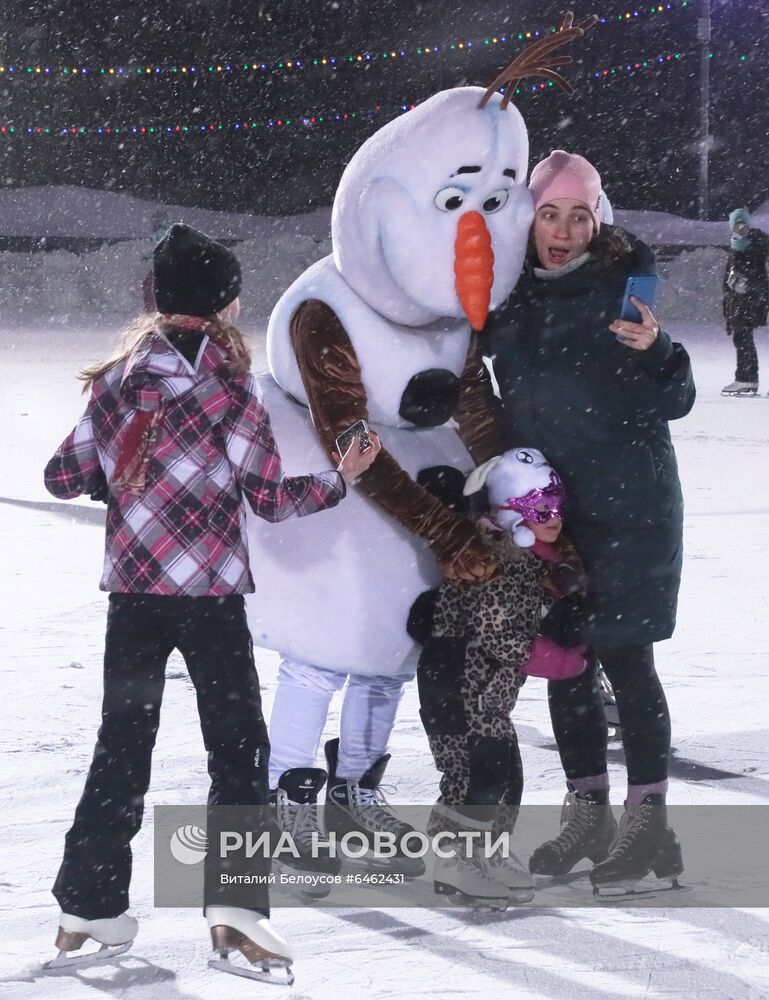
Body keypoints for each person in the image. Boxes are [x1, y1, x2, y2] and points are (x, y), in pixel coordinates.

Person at [43, 223, 379, 977]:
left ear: (154, 300)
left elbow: (62, 478)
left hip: (134, 595)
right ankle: (235, 915)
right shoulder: (231, 391)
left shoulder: (114, 384)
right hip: (210, 598)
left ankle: (88, 907)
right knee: (237, 752)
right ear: (227, 305)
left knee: (121, 747)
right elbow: (267, 497)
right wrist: (342, 476)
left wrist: (123, 478)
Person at [483, 151, 696, 893]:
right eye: (549, 214)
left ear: (596, 220)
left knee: (628, 665)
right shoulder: (509, 303)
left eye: (579, 215)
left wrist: (660, 350)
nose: (564, 230)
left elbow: (678, 400)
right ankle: (586, 815)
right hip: (553, 518)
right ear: (529, 220)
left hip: (632, 512)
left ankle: (649, 829)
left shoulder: (620, 295)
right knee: (564, 664)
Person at [413, 448, 587, 907]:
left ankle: (488, 852)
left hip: (488, 699)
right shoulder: (493, 558)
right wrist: (561, 660)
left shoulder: (528, 560)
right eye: (541, 508)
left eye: (558, 506)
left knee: (507, 776)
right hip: (456, 688)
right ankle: (456, 860)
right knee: (473, 777)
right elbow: (500, 635)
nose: (555, 517)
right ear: (512, 512)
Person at [721, 207, 769, 396]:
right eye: (737, 226)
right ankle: (746, 378)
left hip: (751, 300)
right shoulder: (735, 245)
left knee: (743, 338)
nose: (740, 229)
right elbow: (730, 275)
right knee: (741, 338)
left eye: (743, 225)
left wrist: (747, 283)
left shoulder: (756, 243)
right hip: (738, 300)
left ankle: (746, 379)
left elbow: (757, 275)